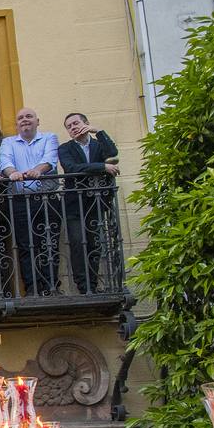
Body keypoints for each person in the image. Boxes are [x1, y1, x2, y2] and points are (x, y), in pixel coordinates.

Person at [0, 107, 61, 295]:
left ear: (37, 121)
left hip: (46, 198)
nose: (24, 120)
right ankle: (33, 287)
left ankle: (51, 286)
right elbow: (4, 162)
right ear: (17, 124)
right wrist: (12, 173)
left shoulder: (49, 138)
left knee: (50, 243)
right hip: (20, 201)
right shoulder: (8, 142)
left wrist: (38, 170)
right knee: (26, 246)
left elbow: (50, 159)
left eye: (29, 117)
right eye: (20, 118)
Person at [58, 112, 120, 295]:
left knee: (94, 244)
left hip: (96, 203)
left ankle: (93, 284)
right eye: (69, 126)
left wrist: (98, 131)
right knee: (78, 243)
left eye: (76, 123)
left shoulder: (98, 144)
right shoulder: (65, 148)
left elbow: (112, 153)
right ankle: (83, 287)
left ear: (86, 124)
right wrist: (102, 167)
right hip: (74, 205)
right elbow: (71, 168)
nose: (73, 128)